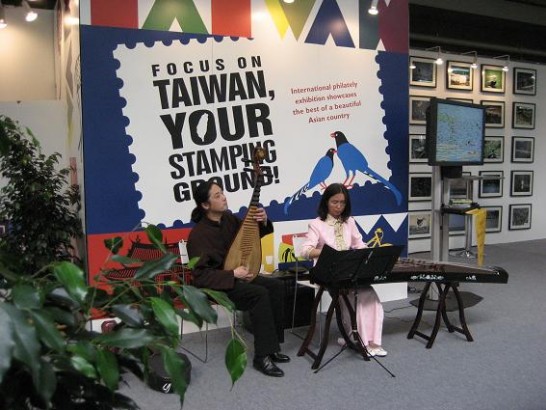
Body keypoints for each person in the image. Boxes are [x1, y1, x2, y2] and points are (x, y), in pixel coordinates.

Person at [186, 179, 289, 377]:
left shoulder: (229, 219)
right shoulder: (198, 235)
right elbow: (200, 276)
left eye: (222, 193)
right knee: (259, 294)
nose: (224, 197)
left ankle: (272, 347)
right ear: (205, 205)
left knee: (275, 286)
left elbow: (250, 235)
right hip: (218, 285)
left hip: (238, 276)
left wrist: (263, 221)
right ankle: (261, 357)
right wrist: (232, 274)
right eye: (217, 195)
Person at [299, 183, 387, 357]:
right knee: (353, 296)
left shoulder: (349, 221)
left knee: (369, 294)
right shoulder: (316, 224)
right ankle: (358, 339)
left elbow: (359, 244)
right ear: (326, 202)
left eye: (342, 203)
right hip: (327, 271)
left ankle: (373, 341)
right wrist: (327, 252)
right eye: (334, 202)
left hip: (348, 269)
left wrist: (368, 254)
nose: (339, 206)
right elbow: (305, 251)